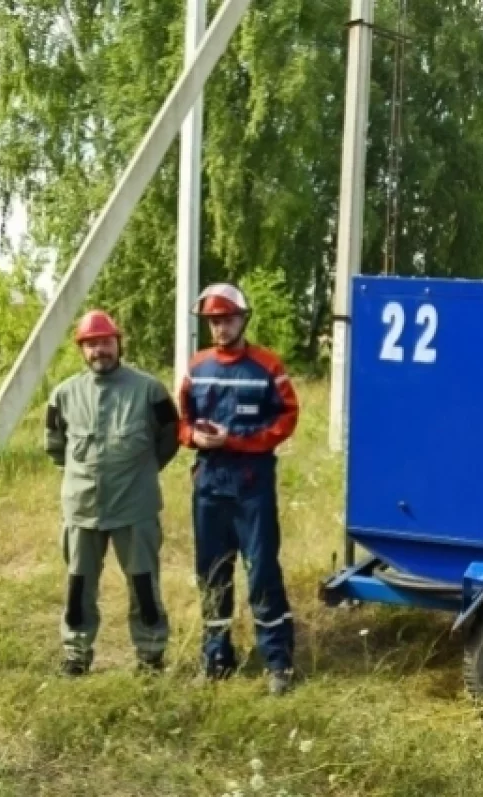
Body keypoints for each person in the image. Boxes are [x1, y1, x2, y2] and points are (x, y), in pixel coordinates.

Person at [177, 283, 300, 695]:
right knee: (212, 575)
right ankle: (216, 658)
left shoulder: (267, 365)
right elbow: (180, 422)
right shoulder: (196, 367)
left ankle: (278, 662)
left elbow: (288, 416)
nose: (220, 327)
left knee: (262, 571)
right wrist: (195, 437)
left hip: (252, 487)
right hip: (210, 486)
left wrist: (242, 440)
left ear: (243, 320)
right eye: (213, 321)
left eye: (227, 319)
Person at [44, 309, 180, 676]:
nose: (99, 350)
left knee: (144, 586)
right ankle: (76, 655)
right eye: (91, 344)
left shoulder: (149, 390)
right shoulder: (63, 395)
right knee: (78, 587)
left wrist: (139, 474)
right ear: (81, 350)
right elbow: (55, 447)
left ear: (118, 343)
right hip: (82, 509)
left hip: (135, 509)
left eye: (105, 342)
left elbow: (170, 438)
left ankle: (150, 656)